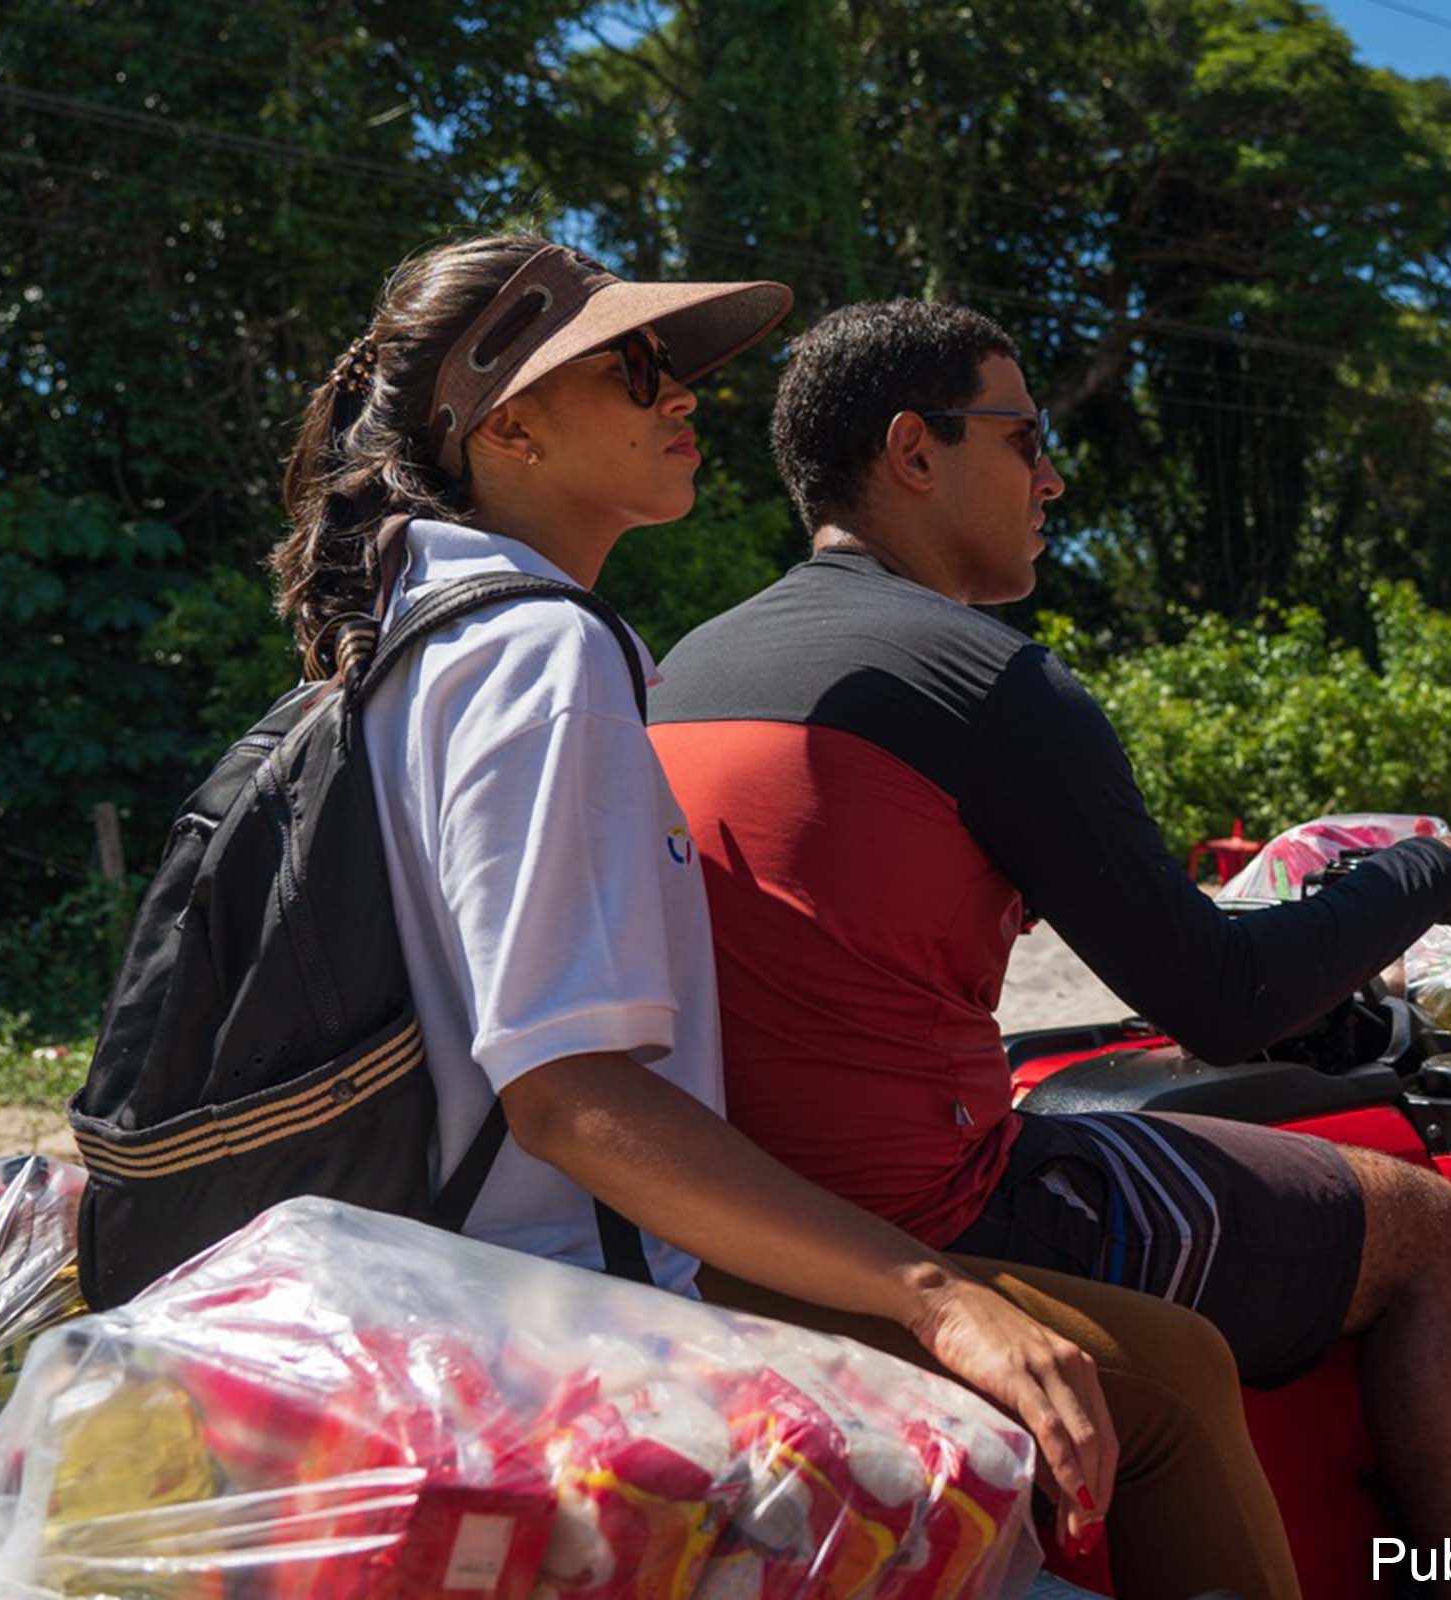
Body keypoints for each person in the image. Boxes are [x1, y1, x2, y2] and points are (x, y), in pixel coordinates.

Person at [269, 235, 1302, 1597]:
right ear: (510, 426)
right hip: (594, 1303)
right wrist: (936, 1294)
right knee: (1166, 1388)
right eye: (636, 371)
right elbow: (571, 1098)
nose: (683, 396)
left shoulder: (411, 641)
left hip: (470, 1282)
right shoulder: (539, 652)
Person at [650, 300, 1451, 1595]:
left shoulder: (684, 665)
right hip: (937, 1218)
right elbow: (1226, 999)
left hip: (739, 1219)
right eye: (1024, 438)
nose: (1052, 474)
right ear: (914, 451)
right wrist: (1426, 872)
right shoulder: (986, 684)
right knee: (1414, 1220)